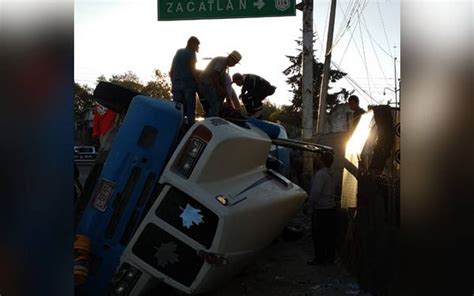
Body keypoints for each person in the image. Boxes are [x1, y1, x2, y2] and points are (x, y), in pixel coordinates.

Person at [307, 152, 337, 266]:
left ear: (322, 161)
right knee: (329, 235)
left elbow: (315, 193)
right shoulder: (331, 173)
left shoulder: (320, 175)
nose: (316, 160)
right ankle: (330, 258)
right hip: (331, 208)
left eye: (318, 158)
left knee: (318, 236)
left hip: (321, 210)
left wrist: (309, 205)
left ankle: (320, 259)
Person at [198, 50, 242, 117]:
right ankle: (211, 121)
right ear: (230, 58)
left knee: (219, 103)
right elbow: (214, 76)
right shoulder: (221, 62)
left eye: (235, 63)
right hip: (205, 84)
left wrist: (226, 95)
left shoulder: (224, 66)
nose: (234, 65)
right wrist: (219, 89)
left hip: (209, 84)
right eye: (234, 62)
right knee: (215, 105)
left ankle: (213, 115)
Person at [169, 36, 200, 127]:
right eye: (197, 45)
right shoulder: (192, 53)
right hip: (188, 85)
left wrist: (173, 82)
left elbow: (172, 70)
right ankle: (190, 129)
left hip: (176, 84)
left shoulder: (179, 52)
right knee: (190, 109)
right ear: (192, 43)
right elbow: (192, 69)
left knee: (177, 108)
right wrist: (198, 82)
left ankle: (175, 127)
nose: (198, 48)